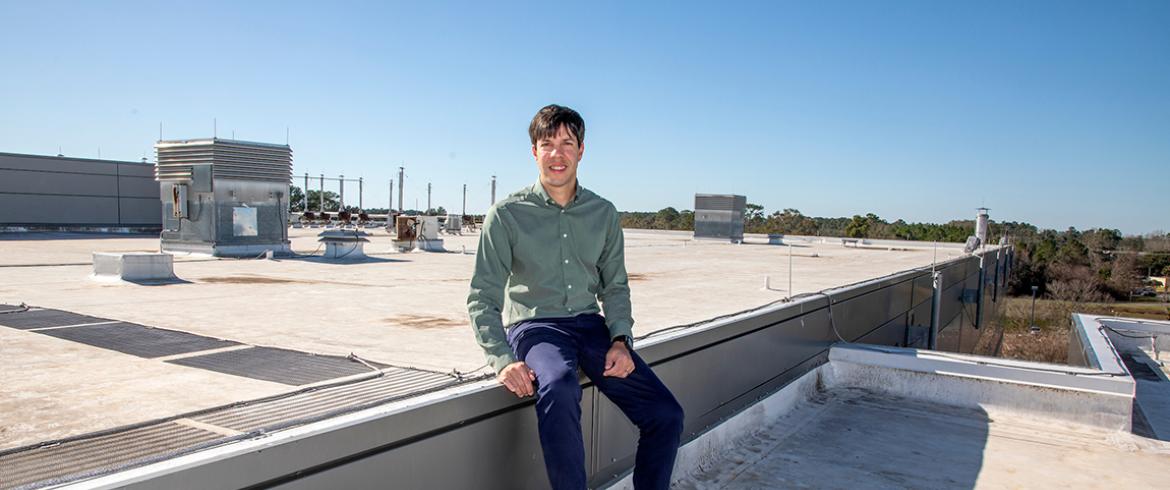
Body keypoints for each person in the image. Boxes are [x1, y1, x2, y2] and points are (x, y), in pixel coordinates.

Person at [467, 104, 685, 489]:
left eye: (567, 143)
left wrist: (620, 340)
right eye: (547, 143)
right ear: (534, 151)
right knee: (560, 383)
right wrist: (501, 359)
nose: (557, 153)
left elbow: (615, 286)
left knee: (666, 414)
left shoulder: (602, 213)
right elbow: (482, 297)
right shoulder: (506, 215)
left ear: (581, 150)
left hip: (591, 329)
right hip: (536, 327)